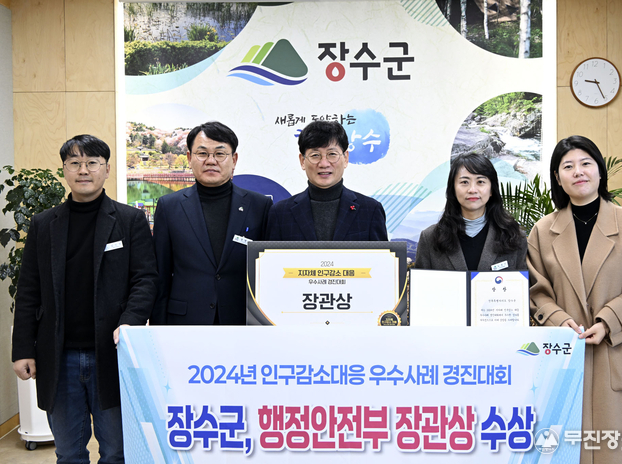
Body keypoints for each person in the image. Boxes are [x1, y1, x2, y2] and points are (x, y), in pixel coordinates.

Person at [11, 135, 157, 463]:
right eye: (75, 163)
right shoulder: (44, 224)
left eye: (92, 162)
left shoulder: (129, 220)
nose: (83, 170)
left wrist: (130, 321)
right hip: (58, 357)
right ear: (64, 169)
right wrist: (22, 349)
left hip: (112, 353)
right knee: (68, 454)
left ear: (107, 169)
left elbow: (145, 279)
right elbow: (29, 289)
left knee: (117, 452)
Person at [528, 135, 622, 464]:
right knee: (565, 449)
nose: (578, 171)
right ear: (558, 178)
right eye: (568, 166)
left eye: (586, 163)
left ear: (600, 171)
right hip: (567, 352)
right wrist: (561, 322)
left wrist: (609, 322)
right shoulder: (542, 231)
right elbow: (536, 290)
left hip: (620, 352)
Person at [151, 121, 272, 325]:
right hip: (185, 322)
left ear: (234, 159)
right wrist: (157, 331)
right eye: (202, 153)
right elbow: (160, 276)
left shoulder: (260, 206)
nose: (211, 161)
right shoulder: (169, 206)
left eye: (219, 154)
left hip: (242, 322)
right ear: (189, 158)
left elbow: (267, 275)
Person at [265, 120, 388, 241]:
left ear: (345, 158)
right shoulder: (281, 213)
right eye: (315, 155)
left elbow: (381, 254)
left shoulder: (370, 210)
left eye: (332, 154)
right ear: (302, 161)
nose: (324, 164)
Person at [415, 152, 526, 271]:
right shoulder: (430, 238)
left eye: (480, 182)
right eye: (464, 182)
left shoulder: (514, 236)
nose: (472, 190)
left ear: (491, 190)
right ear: (453, 189)